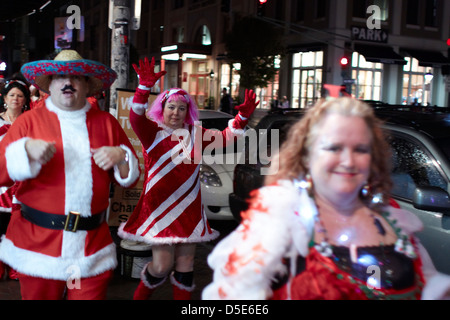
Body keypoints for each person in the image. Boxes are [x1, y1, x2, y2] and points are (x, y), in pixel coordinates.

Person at [203, 97, 450, 300]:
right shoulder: (280, 223)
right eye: (334, 147)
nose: (348, 160)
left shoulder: (393, 219)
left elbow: (428, 285)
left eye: (361, 149)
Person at [0, 50, 140, 300]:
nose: (68, 82)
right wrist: (23, 151)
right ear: (50, 85)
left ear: (87, 85)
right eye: (60, 76)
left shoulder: (107, 122)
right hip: (38, 247)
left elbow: (130, 177)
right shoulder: (28, 122)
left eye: (76, 77)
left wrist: (122, 156)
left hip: (90, 249)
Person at [118, 57, 259, 300]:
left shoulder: (196, 133)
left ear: (188, 112)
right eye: (171, 107)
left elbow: (227, 137)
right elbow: (135, 118)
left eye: (182, 108)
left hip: (189, 207)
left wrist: (242, 119)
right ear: (162, 109)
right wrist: (143, 89)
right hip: (159, 207)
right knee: (161, 266)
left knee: (185, 269)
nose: (176, 112)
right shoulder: (151, 132)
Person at [0, 77, 31, 280]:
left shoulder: (31, 121)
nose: (16, 99)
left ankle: (16, 267)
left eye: (20, 96)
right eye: (12, 95)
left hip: (23, 181)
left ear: (25, 100)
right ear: (5, 98)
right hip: (1, 180)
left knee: (20, 226)